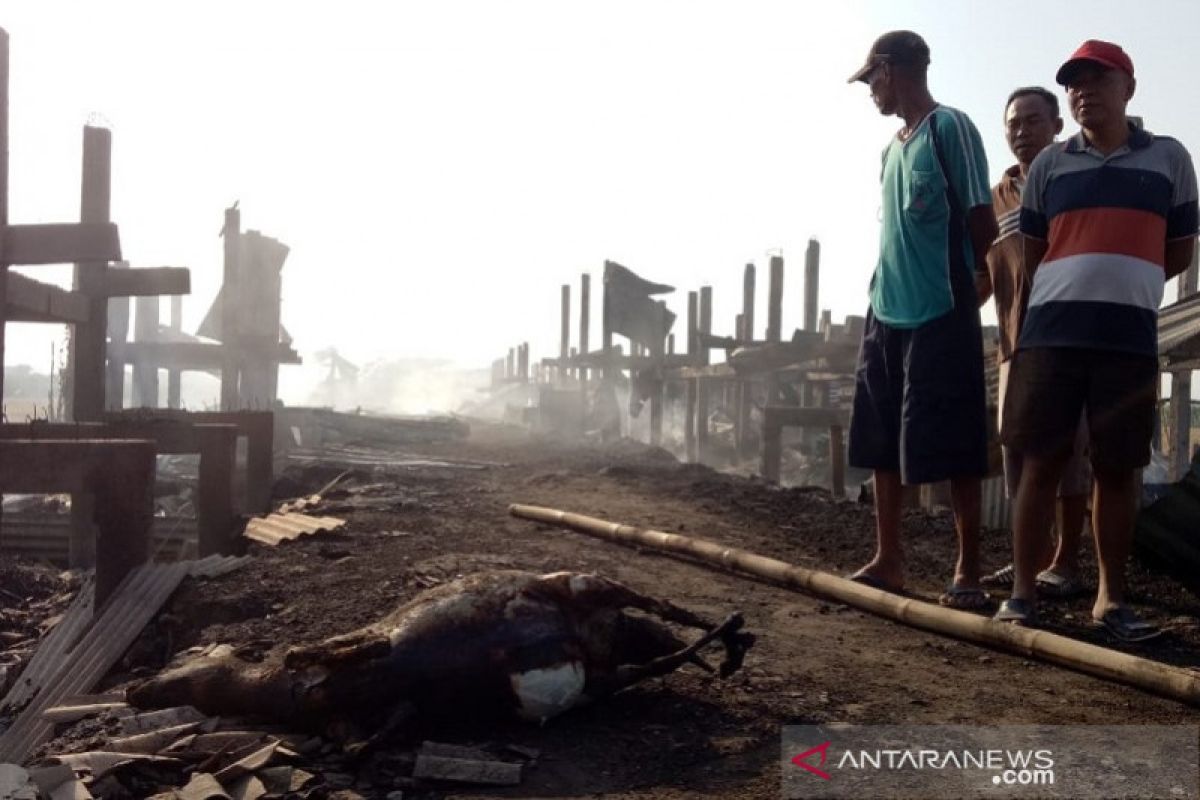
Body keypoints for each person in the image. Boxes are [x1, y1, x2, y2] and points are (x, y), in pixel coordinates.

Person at [996, 40, 1198, 640]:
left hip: (1129, 338)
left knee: (1118, 469)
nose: (1083, 91)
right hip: (1052, 338)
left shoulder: (1169, 159)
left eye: (1096, 80)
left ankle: (1110, 597)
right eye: (1074, 83)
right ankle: (1023, 591)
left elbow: (1179, 249)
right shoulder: (1052, 167)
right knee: (1040, 463)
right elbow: (1036, 255)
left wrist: (1122, 283)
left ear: (1127, 87)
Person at [845, 31, 998, 609]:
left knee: (955, 440)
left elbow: (983, 226)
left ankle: (968, 572)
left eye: (871, 80)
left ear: (891, 69)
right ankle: (889, 560)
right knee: (881, 438)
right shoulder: (891, 148)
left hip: (942, 309)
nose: (870, 92)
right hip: (886, 311)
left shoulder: (949, 129)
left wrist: (977, 296)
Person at [977, 87, 1088, 599]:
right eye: (1014, 123)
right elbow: (989, 270)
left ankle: (1066, 561)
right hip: (1014, 342)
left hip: (1069, 338)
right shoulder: (999, 194)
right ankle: (1033, 556)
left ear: (1057, 125)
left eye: (1033, 121)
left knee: (1069, 453)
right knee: (1017, 450)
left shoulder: (1074, 176)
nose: (1022, 131)